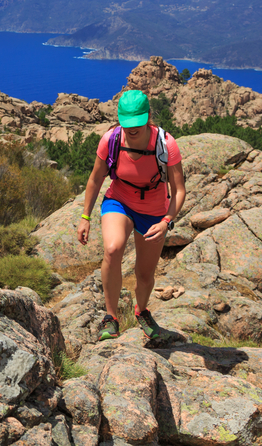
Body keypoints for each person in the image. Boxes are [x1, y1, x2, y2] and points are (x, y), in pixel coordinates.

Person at [76, 89, 186, 341]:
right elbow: (95, 179)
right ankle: (111, 317)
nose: (131, 130)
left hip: (155, 212)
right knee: (113, 249)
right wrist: (85, 217)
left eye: (137, 124)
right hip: (120, 201)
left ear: (148, 118)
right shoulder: (111, 140)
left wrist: (166, 221)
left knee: (144, 274)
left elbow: (179, 190)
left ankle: (142, 311)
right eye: (127, 125)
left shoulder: (165, 144)